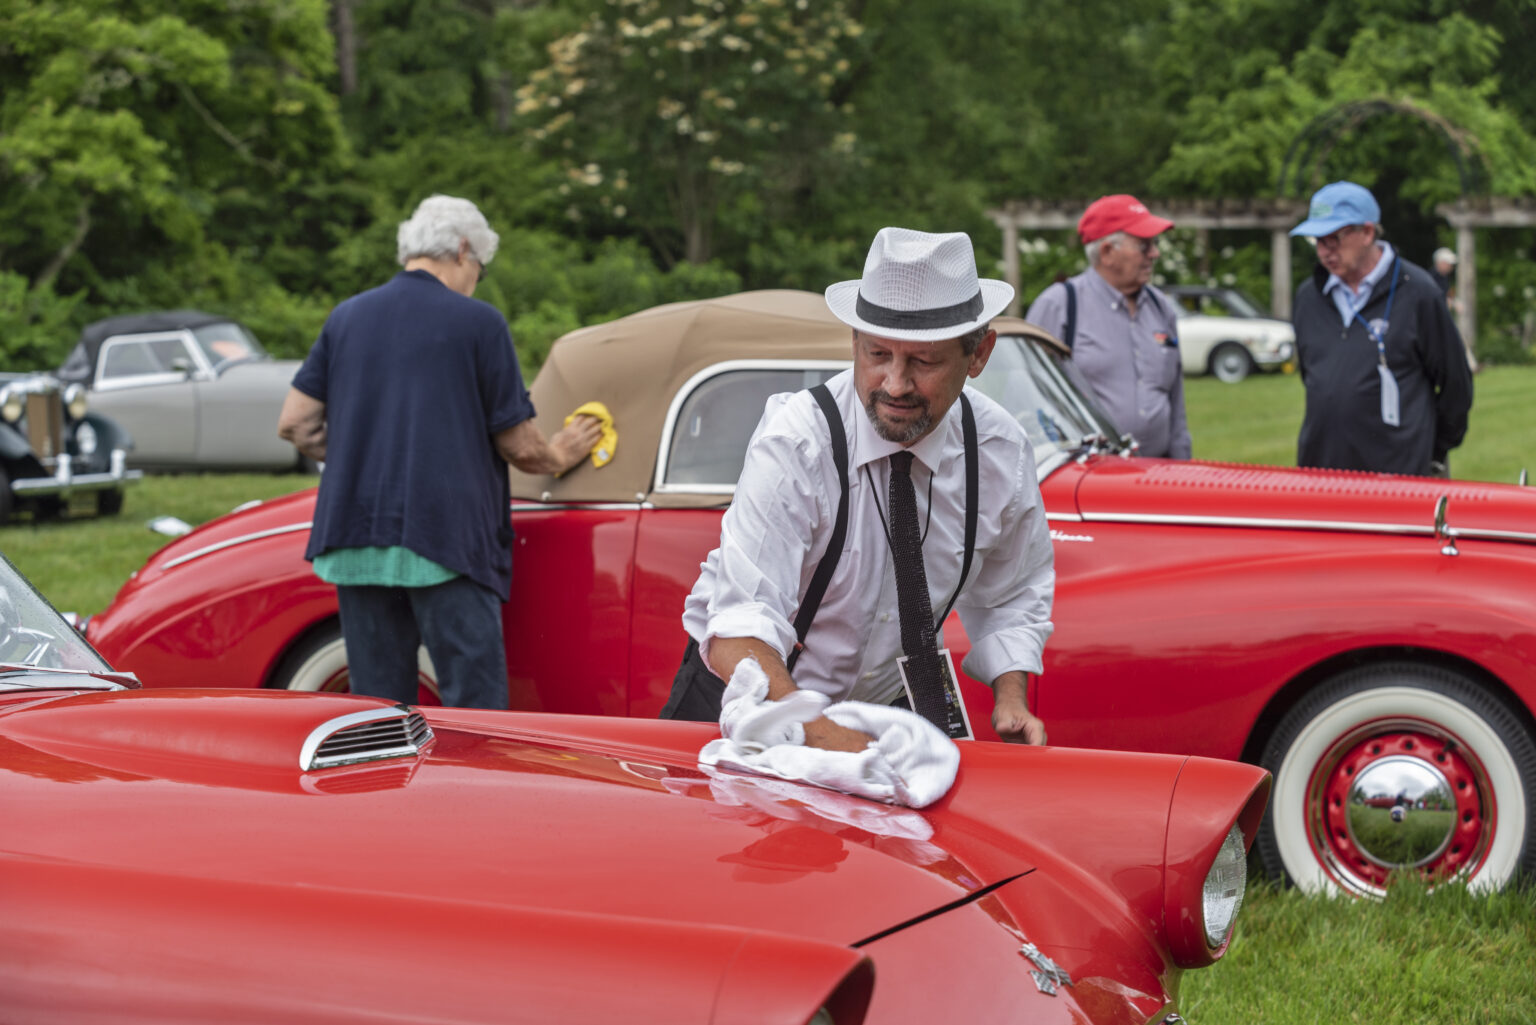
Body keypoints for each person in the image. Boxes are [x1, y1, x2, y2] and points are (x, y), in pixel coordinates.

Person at [660, 226, 1055, 750]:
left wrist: (1010, 697)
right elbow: (740, 622)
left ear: (979, 355)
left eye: (923, 361)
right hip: (745, 708)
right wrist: (824, 738)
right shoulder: (798, 441)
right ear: (854, 342)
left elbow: (1013, 591)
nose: (894, 384)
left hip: (874, 718)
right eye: (876, 355)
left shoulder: (1000, 449)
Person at [277, 195, 601, 708]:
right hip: (447, 539)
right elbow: (519, 445)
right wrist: (562, 452)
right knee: (475, 706)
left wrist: (363, 455)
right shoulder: (479, 323)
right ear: (464, 251)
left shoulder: (347, 317)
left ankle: (385, 787)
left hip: (356, 537)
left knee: (378, 712)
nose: (477, 280)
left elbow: (295, 422)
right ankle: (471, 790)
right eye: (481, 269)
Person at [1288, 181, 1473, 478]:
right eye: (1317, 240)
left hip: (1400, 477)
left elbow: (1456, 385)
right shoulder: (1309, 297)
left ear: (1368, 233)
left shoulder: (1418, 292)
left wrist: (1430, 451)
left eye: (1334, 238)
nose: (1325, 251)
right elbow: (1313, 377)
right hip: (1320, 473)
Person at [1024, 194, 1190, 459]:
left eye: (1155, 244)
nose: (1155, 253)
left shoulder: (1161, 308)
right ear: (1107, 252)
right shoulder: (1060, 305)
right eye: (1144, 245)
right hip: (1088, 483)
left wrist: (1182, 468)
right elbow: (1029, 397)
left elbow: (1176, 403)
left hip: (1157, 477)